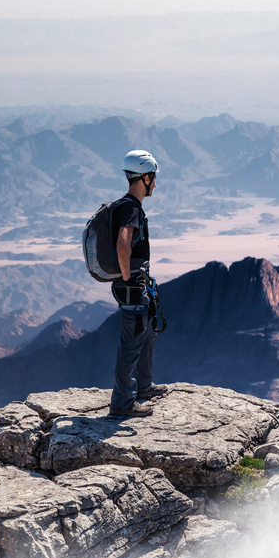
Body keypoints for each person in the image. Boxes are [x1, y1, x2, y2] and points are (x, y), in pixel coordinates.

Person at [109, 150, 167, 417]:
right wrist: (127, 278)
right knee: (131, 343)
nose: (154, 184)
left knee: (147, 335)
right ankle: (122, 403)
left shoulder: (124, 206)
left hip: (138, 284)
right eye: (153, 179)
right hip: (133, 286)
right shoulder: (131, 208)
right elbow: (123, 243)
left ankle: (143, 387)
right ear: (144, 177)